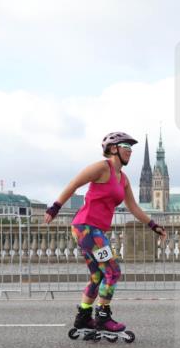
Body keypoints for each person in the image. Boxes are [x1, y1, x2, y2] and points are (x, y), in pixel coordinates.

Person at [43, 132, 167, 335]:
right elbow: (74, 183)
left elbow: (133, 207)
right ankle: (102, 316)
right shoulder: (102, 168)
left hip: (94, 230)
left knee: (98, 275)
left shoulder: (123, 179)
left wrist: (153, 225)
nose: (130, 151)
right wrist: (55, 207)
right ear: (113, 149)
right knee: (113, 271)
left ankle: (84, 316)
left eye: (131, 148)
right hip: (86, 228)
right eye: (126, 146)